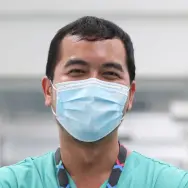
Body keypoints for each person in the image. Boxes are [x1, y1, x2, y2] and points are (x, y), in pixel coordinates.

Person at [0, 16, 188, 188]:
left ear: (130, 95)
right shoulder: (12, 183)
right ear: (48, 90)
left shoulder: (171, 183)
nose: (93, 86)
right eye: (77, 71)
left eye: (110, 74)